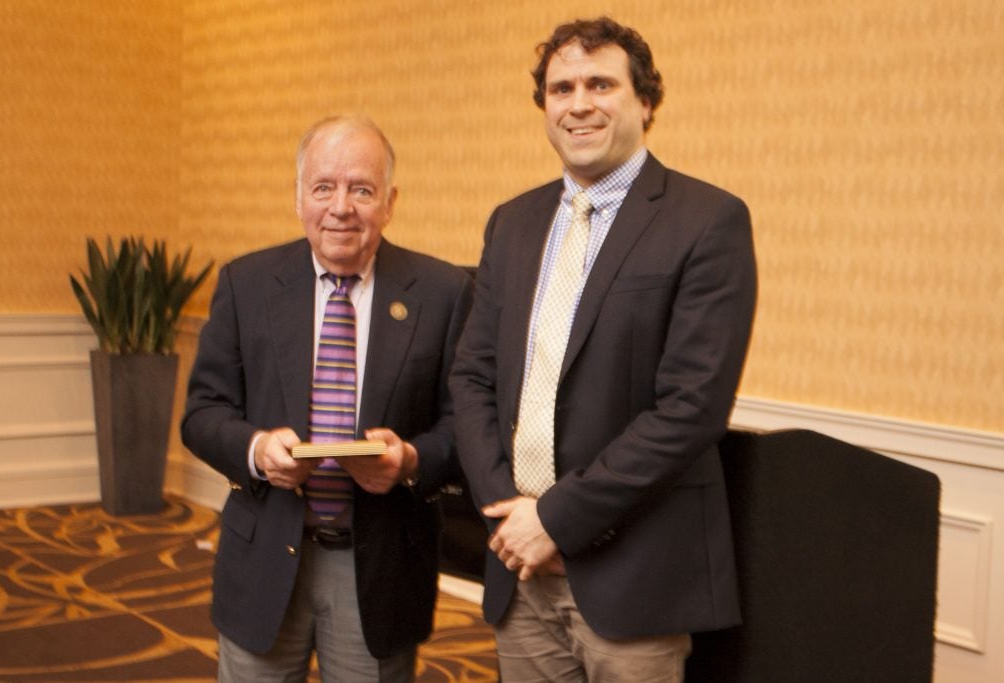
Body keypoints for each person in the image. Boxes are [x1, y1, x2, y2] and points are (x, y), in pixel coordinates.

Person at [449, 17, 757, 682]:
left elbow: (691, 409)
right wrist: (511, 513)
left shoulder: (707, 221)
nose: (579, 103)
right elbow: (471, 377)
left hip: (635, 575)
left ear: (645, 102)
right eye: (561, 88)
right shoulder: (513, 222)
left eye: (600, 84)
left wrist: (556, 520)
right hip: (519, 562)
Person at [181, 115, 474, 682]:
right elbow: (202, 415)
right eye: (324, 187)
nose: (342, 207)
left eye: (361, 190)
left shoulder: (444, 294)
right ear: (299, 198)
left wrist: (410, 461)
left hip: (379, 563)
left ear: (389, 202)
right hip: (267, 551)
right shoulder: (247, 284)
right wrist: (257, 448)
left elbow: (465, 424)